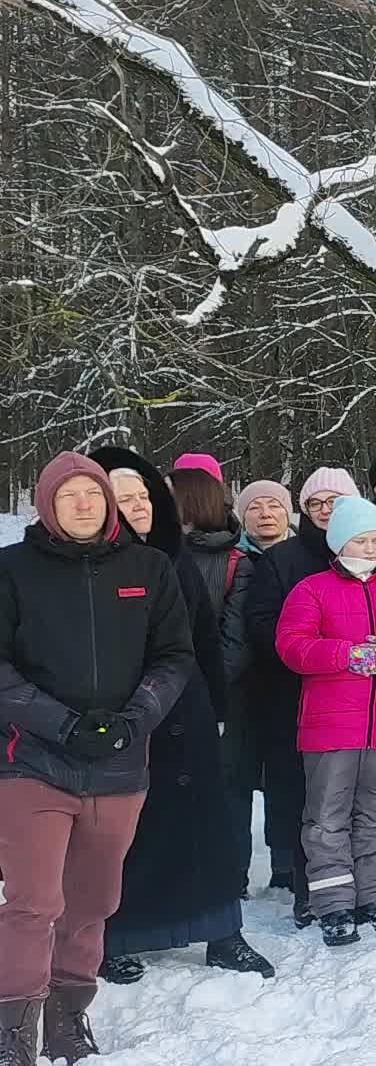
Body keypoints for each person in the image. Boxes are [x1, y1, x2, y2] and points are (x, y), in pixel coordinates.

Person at [0, 452, 196, 1065]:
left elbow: (174, 656)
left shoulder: (148, 567)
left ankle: (66, 1016)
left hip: (117, 765)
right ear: (47, 504)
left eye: (92, 493)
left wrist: (133, 718)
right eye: (68, 496)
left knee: (91, 902)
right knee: (35, 901)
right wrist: (61, 724)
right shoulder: (11, 569)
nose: (83, 504)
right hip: (32, 761)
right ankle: (12, 1028)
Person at [91, 447, 267, 984]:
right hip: (123, 716)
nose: (139, 505)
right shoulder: (89, 567)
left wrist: (214, 706)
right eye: (124, 498)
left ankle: (221, 932)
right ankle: (117, 935)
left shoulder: (175, 554)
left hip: (188, 712)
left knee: (205, 827)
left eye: (144, 494)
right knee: (128, 833)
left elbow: (203, 641)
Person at [274, 496, 376, 946]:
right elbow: (292, 645)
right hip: (330, 726)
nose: (370, 548)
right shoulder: (312, 589)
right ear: (340, 541)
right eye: (361, 540)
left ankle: (373, 894)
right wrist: (346, 654)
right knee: (327, 817)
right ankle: (333, 902)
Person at [247, 467, 360, 919]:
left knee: (361, 795)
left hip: (362, 699)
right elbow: (262, 626)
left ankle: (365, 883)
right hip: (297, 696)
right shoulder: (284, 560)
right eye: (316, 504)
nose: (326, 512)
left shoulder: (372, 553)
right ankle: (308, 887)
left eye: (335, 502)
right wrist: (318, 656)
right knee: (306, 797)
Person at [170, 466, 260, 899]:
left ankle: (230, 877)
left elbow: (235, 639)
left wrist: (199, 688)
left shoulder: (236, 563)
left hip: (222, 697)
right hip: (160, 696)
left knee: (228, 789)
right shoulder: (154, 555)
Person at [236, 479, 294, 554]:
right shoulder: (227, 559)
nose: (265, 514)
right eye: (255, 508)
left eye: (274, 506)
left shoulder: (309, 552)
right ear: (243, 518)